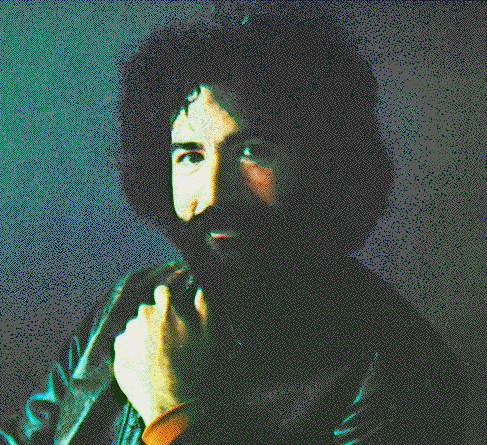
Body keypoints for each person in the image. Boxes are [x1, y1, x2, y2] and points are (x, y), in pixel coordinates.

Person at [1, 7, 467, 445]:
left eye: (252, 151)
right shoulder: (127, 301)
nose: (214, 192)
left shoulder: (404, 372)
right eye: (190, 155)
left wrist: (172, 413)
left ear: (327, 163)